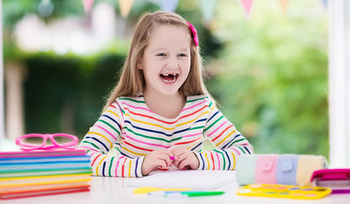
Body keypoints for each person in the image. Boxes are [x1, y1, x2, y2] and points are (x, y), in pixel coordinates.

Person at [78, 11, 253, 177]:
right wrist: (140, 165)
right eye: (162, 54)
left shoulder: (202, 109)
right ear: (139, 60)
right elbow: (83, 158)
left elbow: (244, 151)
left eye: (182, 55)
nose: (173, 63)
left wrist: (200, 159)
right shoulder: (123, 111)